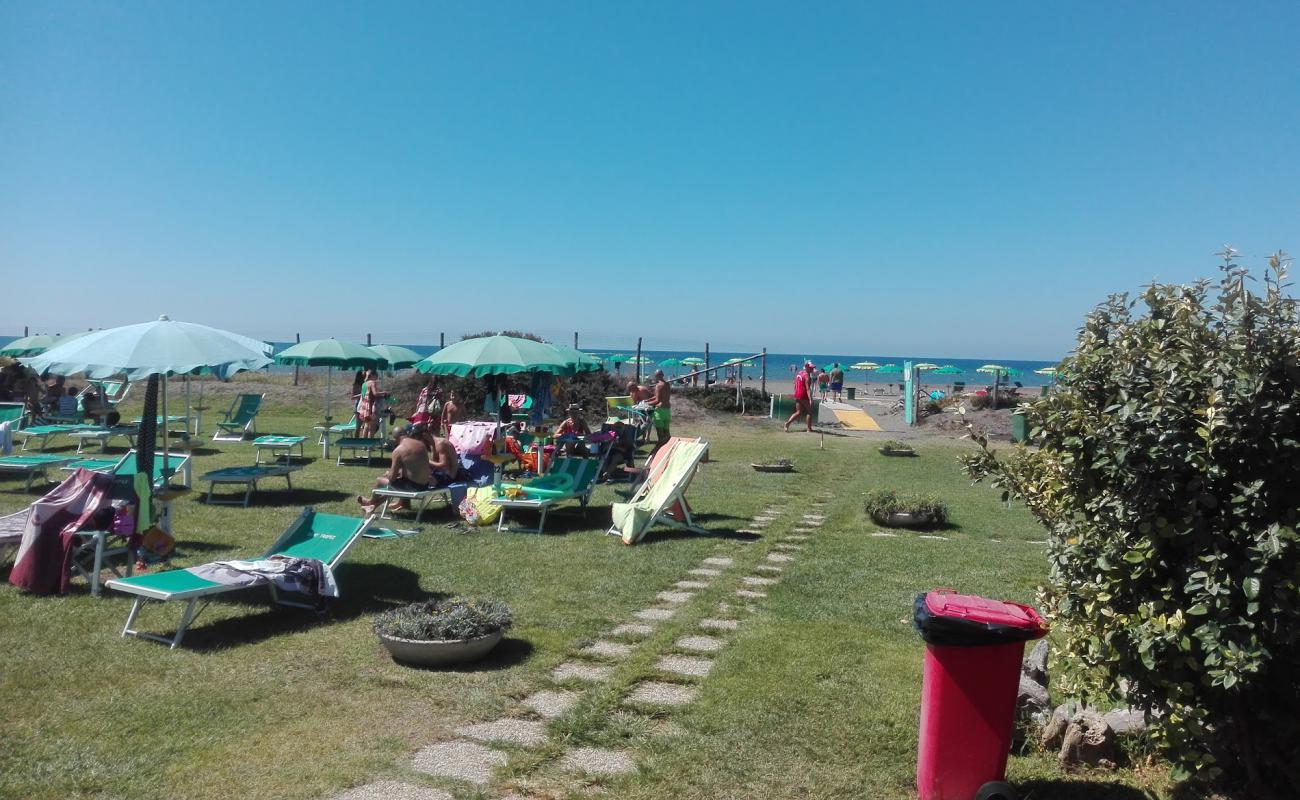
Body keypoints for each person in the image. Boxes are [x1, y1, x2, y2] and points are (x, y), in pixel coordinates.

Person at [357, 423, 434, 512]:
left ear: (395, 439)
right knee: (398, 482)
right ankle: (373, 506)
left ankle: (370, 502)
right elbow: (414, 468)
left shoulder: (399, 450)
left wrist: (388, 474)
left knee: (380, 481)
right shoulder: (421, 444)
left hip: (413, 488)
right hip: (425, 485)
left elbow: (392, 478)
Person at [785, 361, 817, 433]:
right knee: (809, 412)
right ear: (807, 367)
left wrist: (795, 393)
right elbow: (808, 389)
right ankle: (809, 429)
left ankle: (787, 423)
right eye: (811, 368)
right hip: (803, 395)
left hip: (797, 394)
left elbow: (795, 384)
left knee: (798, 412)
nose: (812, 369)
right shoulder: (807, 376)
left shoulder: (799, 373)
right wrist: (810, 399)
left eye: (813, 368)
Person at [648, 369, 672, 453]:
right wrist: (648, 400)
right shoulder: (667, 384)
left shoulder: (658, 385)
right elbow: (658, 396)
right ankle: (669, 450)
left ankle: (657, 451)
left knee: (660, 434)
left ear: (656, 376)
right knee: (667, 434)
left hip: (660, 411)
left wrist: (647, 404)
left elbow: (657, 400)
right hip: (667, 410)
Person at [356, 369, 384, 437]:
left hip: (364, 407)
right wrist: (384, 393)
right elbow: (375, 394)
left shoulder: (364, 384)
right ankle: (370, 446)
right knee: (372, 427)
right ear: (373, 375)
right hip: (371, 407)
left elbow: (363, 396)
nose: (377, 377)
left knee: (366, 426)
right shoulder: (372, 382)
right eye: (376, 376)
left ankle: (364, 445)